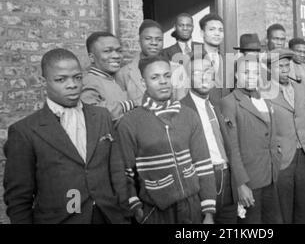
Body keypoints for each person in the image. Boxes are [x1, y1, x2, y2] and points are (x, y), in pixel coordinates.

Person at [3, 49, 128, 224]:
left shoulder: (102, 116)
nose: (72, 85)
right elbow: (18, 198)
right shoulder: (25, 131)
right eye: (61, 79)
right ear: (43, 82)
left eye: (77, 77)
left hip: (109, 216)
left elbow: (116, 170)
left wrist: (123, 212)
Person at [116, 55, 217, 224]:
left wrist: (208, 211)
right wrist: (135, 207)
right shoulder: (130, 122)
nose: (163, 81)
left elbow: (203, 164)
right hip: (156, 210)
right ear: (143, 83)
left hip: (192, 208)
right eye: (155, 77)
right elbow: (126, 172)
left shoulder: (188, 115)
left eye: (167, 76)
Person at [220, 55, 282, 224]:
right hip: (250, 181)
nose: (251, 76)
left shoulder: (265, 101)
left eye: (255, 73)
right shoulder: (229, 102)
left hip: (270, 177)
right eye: (246, 72)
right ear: (236, 76)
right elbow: (232, 148)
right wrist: (241, 184)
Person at [181, 56, 244, 224]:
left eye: (208, 71)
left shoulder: (216, 106)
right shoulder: (181, 110)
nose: (204, 76)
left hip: (227, 180)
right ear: (188, 78)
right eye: (197, 72)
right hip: (201, 183)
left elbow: (229, 147)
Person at [266, 49, 305, 224]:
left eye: (287, 65)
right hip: (283, 157)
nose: (285, 69)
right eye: (280, 66)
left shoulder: (300, 87)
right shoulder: (263, 92)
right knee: (283, 210)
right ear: (269, 69)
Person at [81, 32, 138, 121]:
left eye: (119, 51)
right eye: (107, 51)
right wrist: (132, 104)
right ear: (92, 57)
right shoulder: (90, 81)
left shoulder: (113, 79)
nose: (116, 56)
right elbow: (91, 113)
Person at [116, 19, 164, 103]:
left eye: (159, 39)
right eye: (148, 38)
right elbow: (120, 108)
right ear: (139, 41)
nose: (154, 43)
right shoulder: (124, 74)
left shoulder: (176, 69)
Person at [199, 13, 228, 105]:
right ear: (202, 33)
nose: (217, 33)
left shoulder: (228, 61)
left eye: (221, 30)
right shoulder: (192, 59)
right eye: (212, 29)